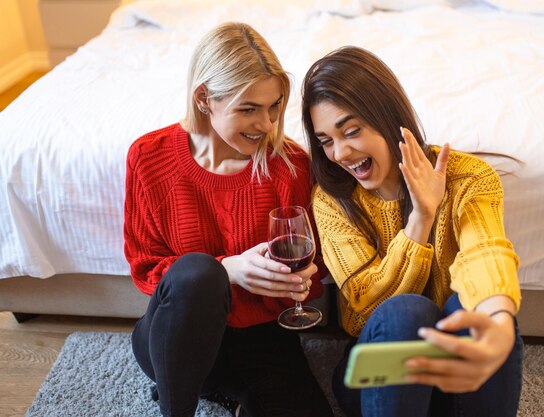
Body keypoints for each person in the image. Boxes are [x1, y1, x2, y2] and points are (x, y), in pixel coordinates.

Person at [123, 22, 333, 417]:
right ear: (204, 98)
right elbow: (144, 266)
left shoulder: (289, 166)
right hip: (175, 339)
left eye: (274, 106)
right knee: (199, 274)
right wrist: (228, 270)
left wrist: (301, 279)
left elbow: (313, 264)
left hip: (262, 343)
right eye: (249, 108)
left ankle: (229, 395)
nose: (267, 124)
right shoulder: (148, 158)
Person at [301, 46, 523, 417]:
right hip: (380, 381)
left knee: (477, 311)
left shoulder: (469, 178)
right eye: (325, 141)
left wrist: (500, 321)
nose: (339, 153)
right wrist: (421, 218)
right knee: (407, 311)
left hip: (454, 377)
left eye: (351, 131)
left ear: (387, 117)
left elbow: (485, 255)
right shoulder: (332, 198)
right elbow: (361, 312)